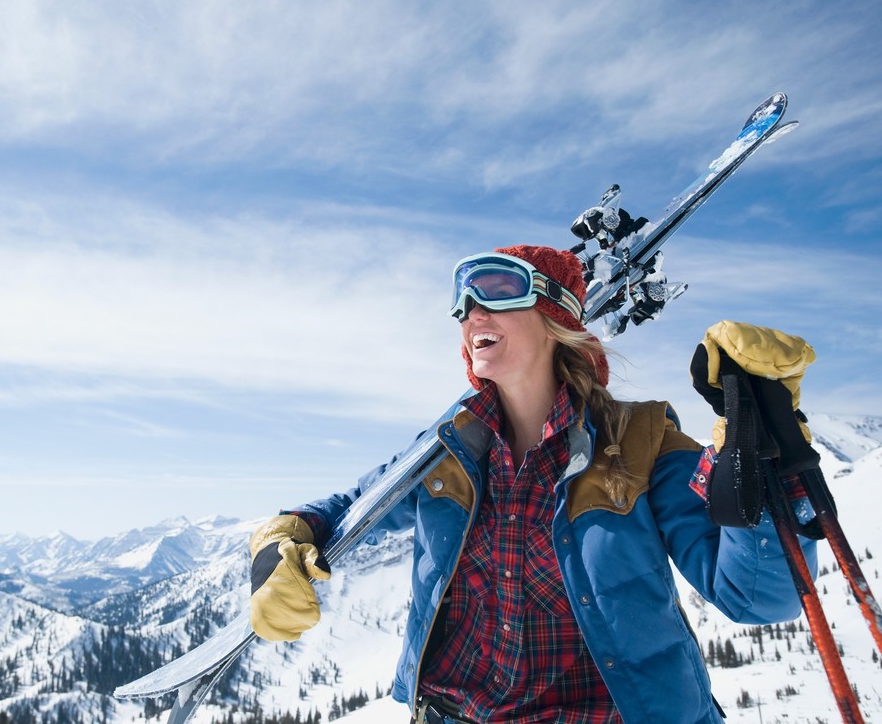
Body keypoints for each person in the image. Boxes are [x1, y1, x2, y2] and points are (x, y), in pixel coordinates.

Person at [247, 245, 818, 723]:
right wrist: (277, 544)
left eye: (494, 293)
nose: (471, 317)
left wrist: (756, 455)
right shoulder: (449, 446)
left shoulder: (641, 442)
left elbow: (760, 598)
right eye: (462, 308)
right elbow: (351, 508)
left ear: (555, 321)